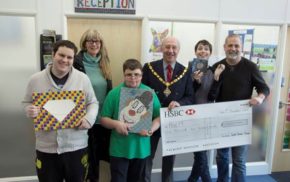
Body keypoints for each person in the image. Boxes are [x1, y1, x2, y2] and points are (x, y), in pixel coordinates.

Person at [23, 40, 99, 182]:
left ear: (73, 59)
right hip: (46, 148)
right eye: (61, 55)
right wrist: (29, 110)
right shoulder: (35, 79)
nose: (65, 60)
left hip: (76, 146)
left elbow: (93, 102)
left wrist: (89, 118)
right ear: (53, 54)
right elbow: (26, 102)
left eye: (69, 57)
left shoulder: (82, 79)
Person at [208, 34, 270, 182]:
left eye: (236, 46)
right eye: (230, 45)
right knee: (221, 157)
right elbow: (211, 96)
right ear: (224, 47)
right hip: (221, 120)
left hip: (242, 120)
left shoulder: (250, 67)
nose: (233, 48)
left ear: (241, 48)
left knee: (239, 161)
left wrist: (259, 98)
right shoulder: (217, 66)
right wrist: (215, 78)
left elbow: (264, 88)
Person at [142, 36, 194, 182]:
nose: (170, 51)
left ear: (178, 50)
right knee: (147, 156)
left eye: (174, 47)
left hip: (173, 122)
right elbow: (140, 93)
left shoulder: (185, 71)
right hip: (151, 120)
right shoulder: (149, 67)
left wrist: (180, 103)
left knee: (169, 159)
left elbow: (190, 97)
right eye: (167, 47)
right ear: (161, 49)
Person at [100, 59, 161, 182]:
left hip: (141, 149)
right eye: (129, 74)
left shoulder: (149, 93)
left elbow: (159, 117)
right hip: (119, 149)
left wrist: (151, 129)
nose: (133, 78)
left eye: (137, 74)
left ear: (141, 75)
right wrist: (116, 123)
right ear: (124, 75)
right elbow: (103, 119)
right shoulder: (114, 93)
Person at [73, 29, 112, 182]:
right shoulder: (76, 62)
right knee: (85, 158)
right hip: (83, 119)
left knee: (99, 157)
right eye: (90, 41)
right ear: (84, 43)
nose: (94, 44)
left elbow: (108, 91)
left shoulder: (104, 62)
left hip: (102, 119)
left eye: (97, 41)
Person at [187, 40, 213, 182]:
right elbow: (187, 92)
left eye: (206, 49)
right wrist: (195, 81)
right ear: (195, 51)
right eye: (200, 48)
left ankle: (192, 179)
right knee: (200, 153)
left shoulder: (213, 70)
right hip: (192, 115)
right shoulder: (188, 70)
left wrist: (217, 77)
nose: (203, 51)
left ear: (210, 53)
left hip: (208, 116)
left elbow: (214, 94)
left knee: (201, 152)